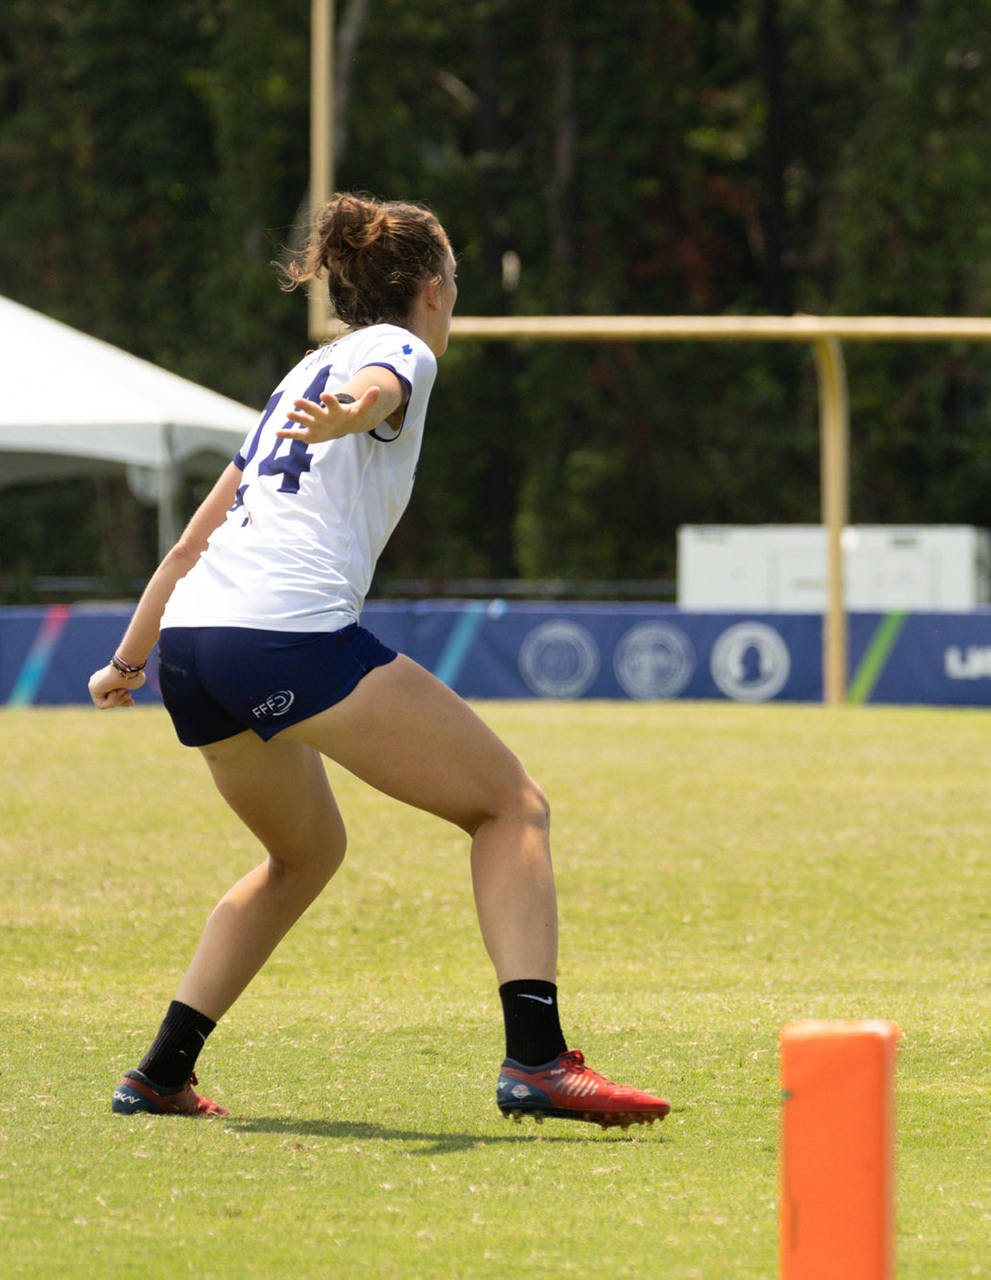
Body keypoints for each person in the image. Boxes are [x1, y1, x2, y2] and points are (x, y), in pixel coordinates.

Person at [89, 192, 669, 1129]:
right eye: (455, 285)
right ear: (433, 288)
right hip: (284, 634)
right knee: (511, 806)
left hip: (194, 647)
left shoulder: (297, 376)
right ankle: (537, 1060)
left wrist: (128, 661)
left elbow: (193, 541)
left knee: (305, 853)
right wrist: (354, 413)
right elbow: (382, 387)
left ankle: (159, 1073)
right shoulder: (399, 348)